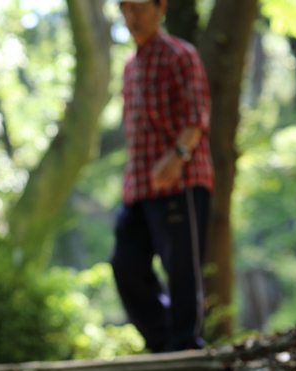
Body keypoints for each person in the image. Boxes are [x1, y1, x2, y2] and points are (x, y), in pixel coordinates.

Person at [110, 0, 214, 352]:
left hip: (180, 181)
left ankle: (185, 345)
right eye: (125, 8)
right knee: (126, 265)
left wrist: (178, 155)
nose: (130, 17)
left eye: (139, 7)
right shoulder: (129, 65)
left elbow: (198, 115)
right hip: (138, 187)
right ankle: (162, 341)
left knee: (181, 268)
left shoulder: (180, 55)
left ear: (160, 8)